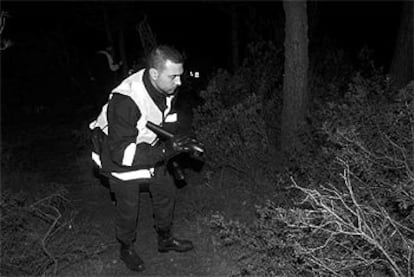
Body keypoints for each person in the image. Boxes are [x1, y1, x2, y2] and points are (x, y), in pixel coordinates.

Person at [89, 45, 198, 272]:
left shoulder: (166, 87)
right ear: (154, 74)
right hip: (117, 153)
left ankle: (165, 238)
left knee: (166, 190)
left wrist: (177, 140)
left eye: (180, 75)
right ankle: (126, 247)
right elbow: (122, 153)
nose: (179, 82)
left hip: (147, 145)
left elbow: (164, 119)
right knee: (128, 206)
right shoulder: (125, 101)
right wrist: (166, 150)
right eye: (173, 77)